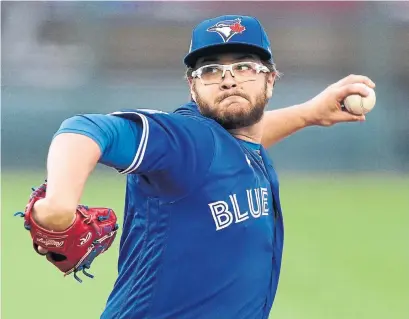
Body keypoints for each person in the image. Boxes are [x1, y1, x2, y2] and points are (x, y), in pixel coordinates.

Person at [32, 15, 375, 319]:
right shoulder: (187, 140)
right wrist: (58, 207)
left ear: (270, 81)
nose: (229, 80)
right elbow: (86, 129)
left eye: (244, 67)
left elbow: (243, 143)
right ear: (192, 88)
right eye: (210, 70)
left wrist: (308, 114)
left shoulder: (238, 146)